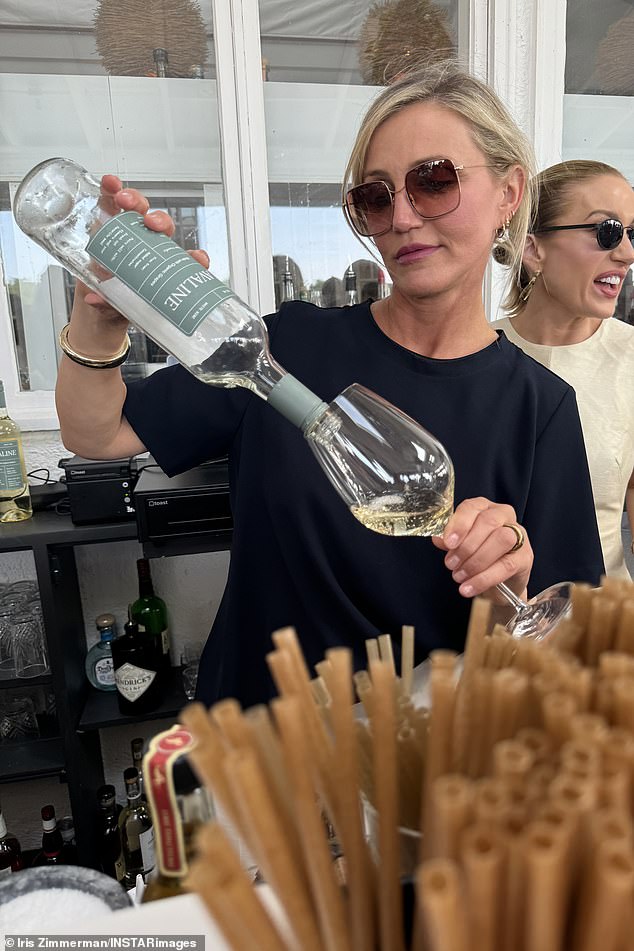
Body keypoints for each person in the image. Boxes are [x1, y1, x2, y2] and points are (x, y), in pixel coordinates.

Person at [55, 62, 604, 708]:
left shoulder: (538, 409)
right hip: (252, 765)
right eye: (376, 196)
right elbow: (96, 431)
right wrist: (97, 322)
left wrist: (504, 583)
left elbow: (570, 657)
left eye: (434, 181)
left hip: (408, 779)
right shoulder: (282, 349)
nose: (401, 216)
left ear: (510, 193)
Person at [493, 160, 634, 578]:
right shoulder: (475, 356)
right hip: (497, 630)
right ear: (534, 249)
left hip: (604, 629)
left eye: (631, 233)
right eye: (606, 231)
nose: (627, 252)